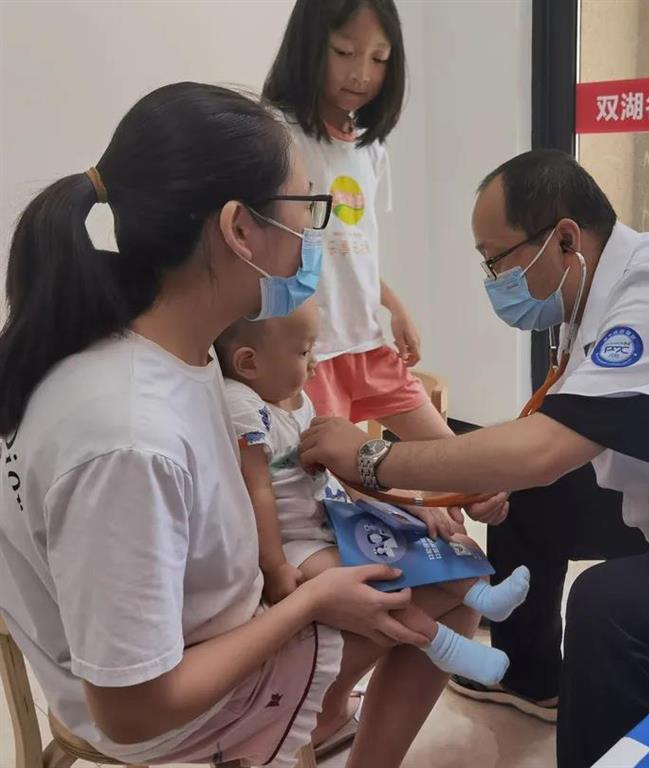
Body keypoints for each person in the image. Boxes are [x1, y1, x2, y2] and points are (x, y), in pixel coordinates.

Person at [297, 149, 649, 767]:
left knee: (605, 609)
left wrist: (372, 458)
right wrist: (477, 476)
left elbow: (543, 449)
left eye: (496, 259)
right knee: (526, 499)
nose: (493, 279)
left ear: (564, 238)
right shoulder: (592, 294)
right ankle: (530, 678)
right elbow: (545, 440)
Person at [0, 82, 497, 768]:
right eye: (306, 211)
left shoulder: (166, 350)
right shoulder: (130, 435)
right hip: (178, 708)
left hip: (197, 630)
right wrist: (308, 603)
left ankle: (332, 717)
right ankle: (326, 721)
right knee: (448, 594)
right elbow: (133, 709)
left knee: (444, 575)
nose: (314, 239)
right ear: (239, 230)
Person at [213, 299, 529, 688]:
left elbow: (337, 465)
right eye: (303, 352)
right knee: (373, 586)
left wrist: (398, 504)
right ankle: (443, 645)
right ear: (249, 363)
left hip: (331, 518)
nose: (315, 364)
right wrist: (276, 567)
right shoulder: (242, 406)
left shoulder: (293, 399)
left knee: (433, 541)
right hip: (295, 544)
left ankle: (482, 597)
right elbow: (258, 491)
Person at [263, 0, 452, 440]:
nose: (361, 74)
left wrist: (395, 306)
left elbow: (349, 248)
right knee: (326, 478)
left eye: (379, 58)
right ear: (308, 45)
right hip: (310, 352)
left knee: (453, 460)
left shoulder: (370, 149)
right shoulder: (276, 136)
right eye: (344, 52)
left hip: (367, 342)